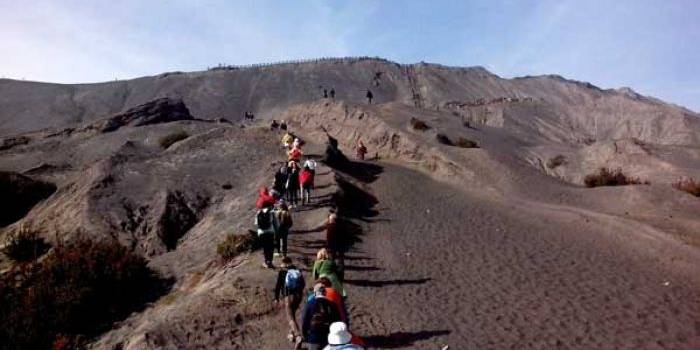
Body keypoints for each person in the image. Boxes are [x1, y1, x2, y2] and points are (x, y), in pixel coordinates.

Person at [274, 257, 305, 346]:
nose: (281, 265)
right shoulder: (297, 271)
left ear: (285, 263)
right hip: (298, 296)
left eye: (282, 263)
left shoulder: (282, 272)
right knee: (293, 314)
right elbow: (303, 284)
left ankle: (298, 336)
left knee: (290, 317)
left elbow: (278, 286)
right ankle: (292, 334)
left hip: (288, 297)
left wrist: (276, 298)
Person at [301, 284, 342, 350]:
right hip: (328, 339)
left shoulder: (309, 304)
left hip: (314, 338)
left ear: (315, 293)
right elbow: (338, 321)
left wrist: (306, 336)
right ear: (325, 293)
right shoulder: (332, 304)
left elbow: (304, 321)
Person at [255, 202, 278, 268]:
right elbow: (275, 224)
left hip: (262, 233)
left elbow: (257, 224)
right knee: (271, 247)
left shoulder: (258, 213)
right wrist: (276, 234)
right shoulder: (271, 213)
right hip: (270, 232)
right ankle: (270, 261)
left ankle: (266, 262)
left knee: (265, 248)